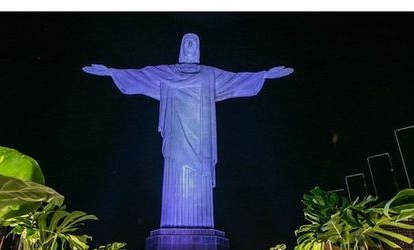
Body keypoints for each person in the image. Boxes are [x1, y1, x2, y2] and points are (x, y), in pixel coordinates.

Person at [83, 33, 293, 228]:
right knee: (175, 169)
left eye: (194, 42)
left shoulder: (209, 75)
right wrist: (111, 72)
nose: (190, 46)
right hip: (176, 135)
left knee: (200, 174)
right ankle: (172, 225)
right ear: (182, 47)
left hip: (201, 137)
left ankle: (201, 224)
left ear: (198, 48)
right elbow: (141, 76)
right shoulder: (168, 72)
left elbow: (236, 79)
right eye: (187, 42)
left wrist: (264, 75)